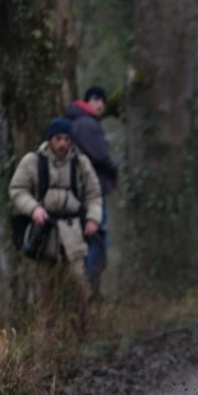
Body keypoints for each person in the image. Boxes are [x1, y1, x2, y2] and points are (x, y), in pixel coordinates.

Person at [8, 117, 103, 305]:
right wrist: (34, 208)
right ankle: (47, 332)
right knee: (45, 290)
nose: (62, 144)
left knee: (79, 282)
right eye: (58, 139)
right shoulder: (32, 161)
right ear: (50, 139)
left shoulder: (81, 163)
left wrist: (93, 218)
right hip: (42, 233)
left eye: (67, 139)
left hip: (74, 232)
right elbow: (17, 190)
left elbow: (94, 194)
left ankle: (86, 327)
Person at [64, 85, 119, 295]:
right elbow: (100, 155)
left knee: (91, 240)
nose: (101, 105)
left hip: (82, 192)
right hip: (92, 192)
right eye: (97, 100)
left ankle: (88, 289)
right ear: (90, 100)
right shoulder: (86, 124)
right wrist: (114, 168)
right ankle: (88, 288)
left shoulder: (78, 122)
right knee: (97, 240)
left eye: (103, 101)